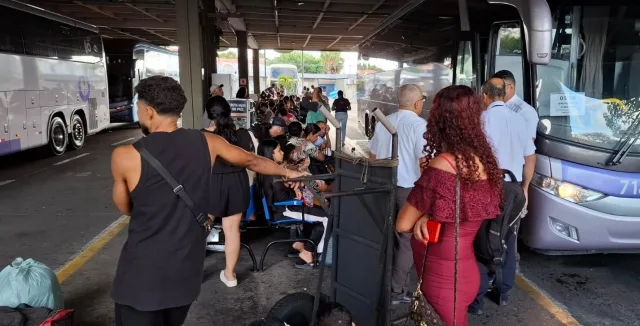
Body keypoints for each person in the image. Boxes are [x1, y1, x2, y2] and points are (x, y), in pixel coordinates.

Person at [110, 76, 306, 326]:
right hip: (185, 273)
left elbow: (125, 208)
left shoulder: (125, 155)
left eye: (138, 108)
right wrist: (289, 173)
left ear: (148, 111)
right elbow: (251, 161)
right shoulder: (208, 142)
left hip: (142, 275)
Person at [395, 85, 503, 326]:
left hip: (442, 279)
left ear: (440, 120)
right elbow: (460, 208)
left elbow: (403, 224)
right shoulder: (483, 163)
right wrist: (429, 212)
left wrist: (427, 190)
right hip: (464, 272)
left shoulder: (443, 164)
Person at [469, 77, 535, 313]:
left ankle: (476, 300)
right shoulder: (519, 120)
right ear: (504, 94)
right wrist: (525, 188)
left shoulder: (479, 120)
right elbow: (530, 158)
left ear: (484, 95)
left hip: (485, 187)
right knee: (508, 238)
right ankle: (503, 292)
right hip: (513, 189)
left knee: (480, 240)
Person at [367, 84, 427, 305]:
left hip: (382, 188)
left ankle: (379, 283)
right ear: (417, 103)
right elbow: (424, 163)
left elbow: (372, 157)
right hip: (408, 191)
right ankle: (396, 291)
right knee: (405, 240)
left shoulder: (384, 122)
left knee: (384, 237)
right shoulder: (420, 126)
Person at [201, 96, 254, 287]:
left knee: (201, 229)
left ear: (208, 114)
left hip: (210, 185)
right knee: (232, 231)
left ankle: (194, 274)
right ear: (229, 112)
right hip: (237, 184)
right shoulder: (242, 134)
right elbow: (250, 157)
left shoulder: (201, 136)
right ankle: (230, 275)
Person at [257, 139, 328, 269]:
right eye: (279, 150)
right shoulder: (273, 174)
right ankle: (308, 253)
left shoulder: (267, 172)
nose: (282, 152)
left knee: (315, 214)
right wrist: (296, 194)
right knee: (325, 217)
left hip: (280, 208)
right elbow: (282, 196)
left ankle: (300, 243)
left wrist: (294, 188)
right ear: (271, 154)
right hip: (284, 209)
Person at [493, 70, 539, 141]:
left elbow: (527, 145)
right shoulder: (491, 108)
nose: (494, 91)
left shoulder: (525, 111)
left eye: (498, 88)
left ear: (510, 87)